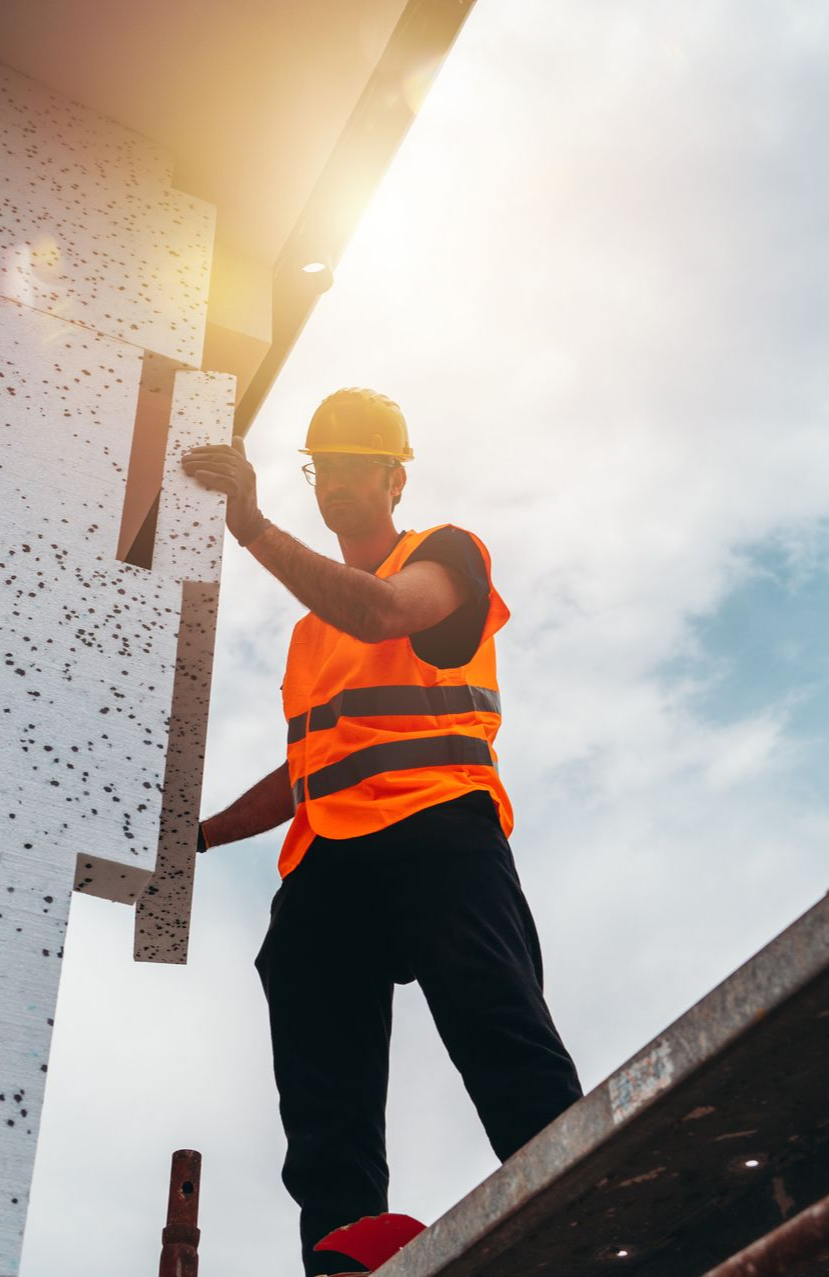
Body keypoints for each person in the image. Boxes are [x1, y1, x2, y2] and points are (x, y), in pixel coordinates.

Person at [181, 388, 582, 1277]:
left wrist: (252, 527)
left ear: (395, 478)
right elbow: (307, 767)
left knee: (501, 1035)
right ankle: (343, 1255)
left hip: (437, 832)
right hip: (328, 858)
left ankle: (581, 1206)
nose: (335, 481)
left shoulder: (444, 555)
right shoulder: (307, 633)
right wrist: (195, 838)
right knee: (323, 1096)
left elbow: (382, 612)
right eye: (322, 466)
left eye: (355, 465)